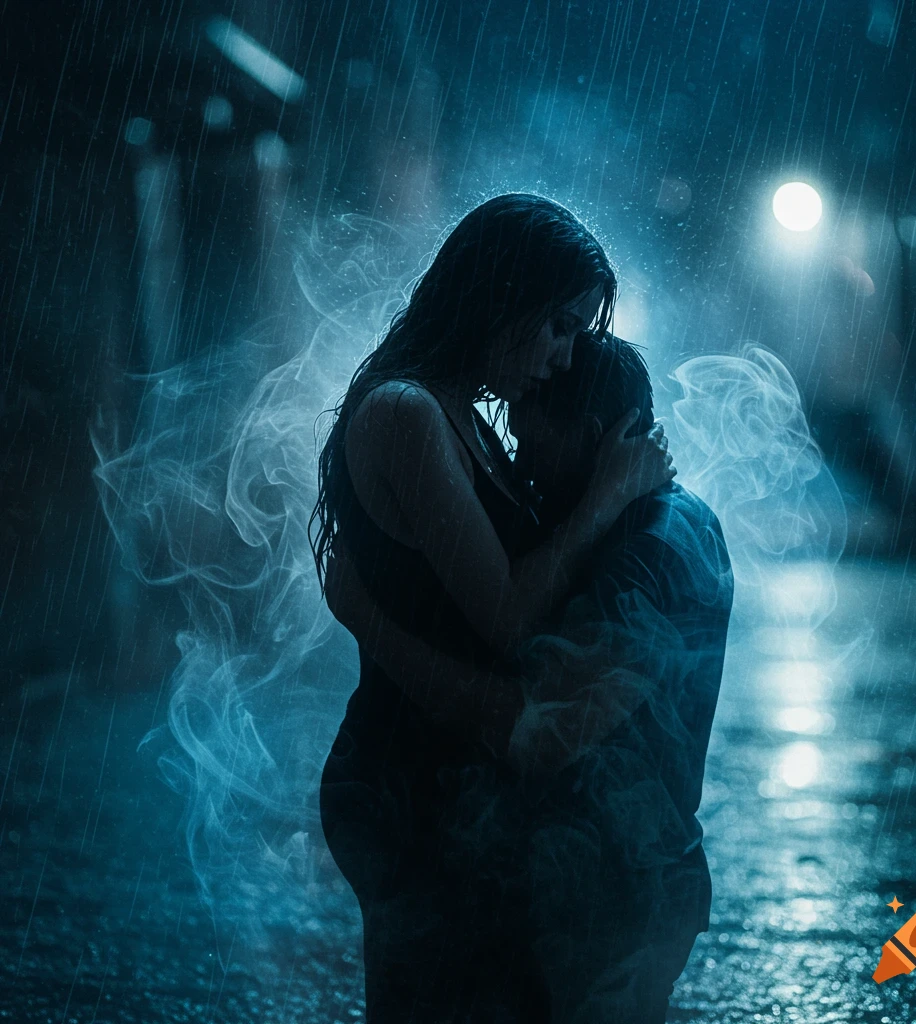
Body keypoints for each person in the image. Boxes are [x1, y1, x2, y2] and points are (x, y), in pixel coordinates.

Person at [311, 193, 676, 1023]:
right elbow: (509, 619)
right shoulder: (406, 413)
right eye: (555, 326)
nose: (560, 358)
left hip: (462, 783)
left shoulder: (460, 415)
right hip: (406, 782)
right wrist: (608, 496)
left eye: (576, 335)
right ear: (499, 299)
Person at [330, 331, 734, 1023]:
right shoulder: (641, 524)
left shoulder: (652, 553)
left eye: (532, 441)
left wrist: (370, 621)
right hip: (589, 887)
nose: (520, 464)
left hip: (610, 902)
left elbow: (544, 731)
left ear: (594, 434)